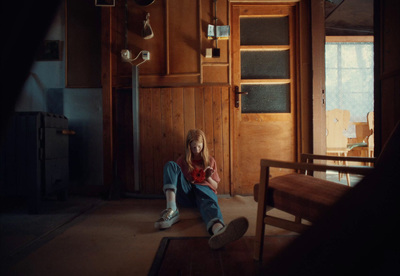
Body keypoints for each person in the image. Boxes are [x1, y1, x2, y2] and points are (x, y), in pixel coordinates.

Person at [155, 129, 249, 249]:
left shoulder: (210, 160)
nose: (197, 150)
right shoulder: (182, 160)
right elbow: (178, 181)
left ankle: (219, 231)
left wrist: (208, 177)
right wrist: (189, 180)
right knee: (170, 165)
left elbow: (215, 187)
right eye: (193, 147)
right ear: (189, 147)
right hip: (187, 194)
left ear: (203, 144)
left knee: (207, 199)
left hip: (204, 194)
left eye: (199, 146)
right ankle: (171, 209)